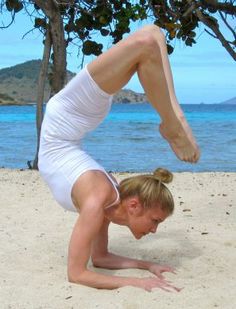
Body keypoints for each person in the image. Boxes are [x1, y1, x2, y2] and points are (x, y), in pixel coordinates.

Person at [38, 24, 200, 292]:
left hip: (71, 127)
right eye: (155, 220)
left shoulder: (105, 202)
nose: (154, 230)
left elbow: (100, 258)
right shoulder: (97, 200)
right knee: (149, 39)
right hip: (66, 117)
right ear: (134, 205)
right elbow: (76, 274)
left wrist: (148, 266)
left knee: (154, 35)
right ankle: (173, 120)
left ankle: (173, 118)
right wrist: (135, 283)